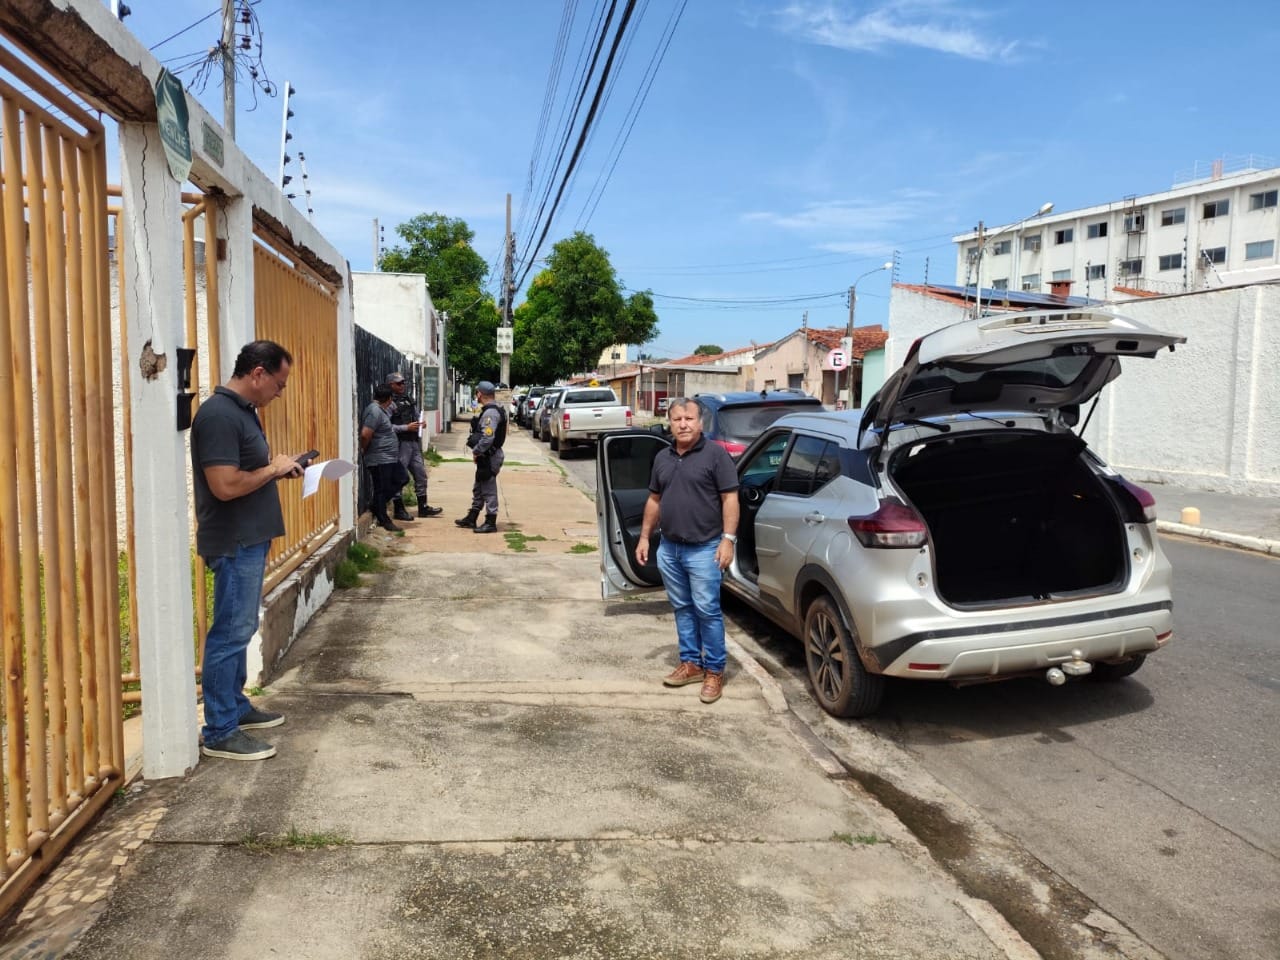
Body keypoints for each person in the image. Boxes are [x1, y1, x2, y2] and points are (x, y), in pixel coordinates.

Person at [191, 340, 305, 761]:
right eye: (279, 383)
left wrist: (278, 470)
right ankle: (220, 730)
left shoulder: (243, 412)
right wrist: (272, 468)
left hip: (250, 538)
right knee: (230, 633)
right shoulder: (219, 416)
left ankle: (235, 707)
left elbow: (247, 472)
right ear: (258, 374)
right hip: (234, 541)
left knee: (239, 630)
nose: (281, 392)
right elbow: (224, 486)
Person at [636, 397, 740, 704]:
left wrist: (728, 539)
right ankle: (691, 663)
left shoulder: (716, 456)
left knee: (707, 610)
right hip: (670, 547)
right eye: (677, 419)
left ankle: (715, 671)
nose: (683, 424)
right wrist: (644, 537)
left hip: (705, 548)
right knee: (682, 607)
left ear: (700, 422)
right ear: (670, 422)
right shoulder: (662, 457)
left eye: (689, 419)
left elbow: (730, 499)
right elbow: (654, 499)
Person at [387, 371, 442, 520]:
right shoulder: (388, 402)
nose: (402, 385)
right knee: (399, 476)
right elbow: (385, 426)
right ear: (391, 385)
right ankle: (399, 509)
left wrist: (421, 423)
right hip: (399, 443)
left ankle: (423, 507)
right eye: (399, 383)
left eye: (403, 383)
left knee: (421, 475)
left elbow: (416, 415)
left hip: (413, 442)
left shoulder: (407, 399)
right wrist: (406, 427)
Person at [454, 380, 507, 534]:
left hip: (490, 456)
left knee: (489, 489)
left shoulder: (491, 413)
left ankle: (491, 521)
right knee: (479, 487)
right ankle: (472, 517)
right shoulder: (492, 409)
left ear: (480, 394)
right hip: (487, 455)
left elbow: (487, 437)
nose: (476, 395)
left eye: (477, 392)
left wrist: (476, 451)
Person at [361, 383, 404, 532]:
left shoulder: (380, 410)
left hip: (389, 457)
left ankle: (377, 505)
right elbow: (365, 434)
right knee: (381, 488)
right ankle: (383, 517)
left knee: (402, 478)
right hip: (379, 458)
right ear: (389, 398)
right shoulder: (374, 411)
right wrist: (364, 449)